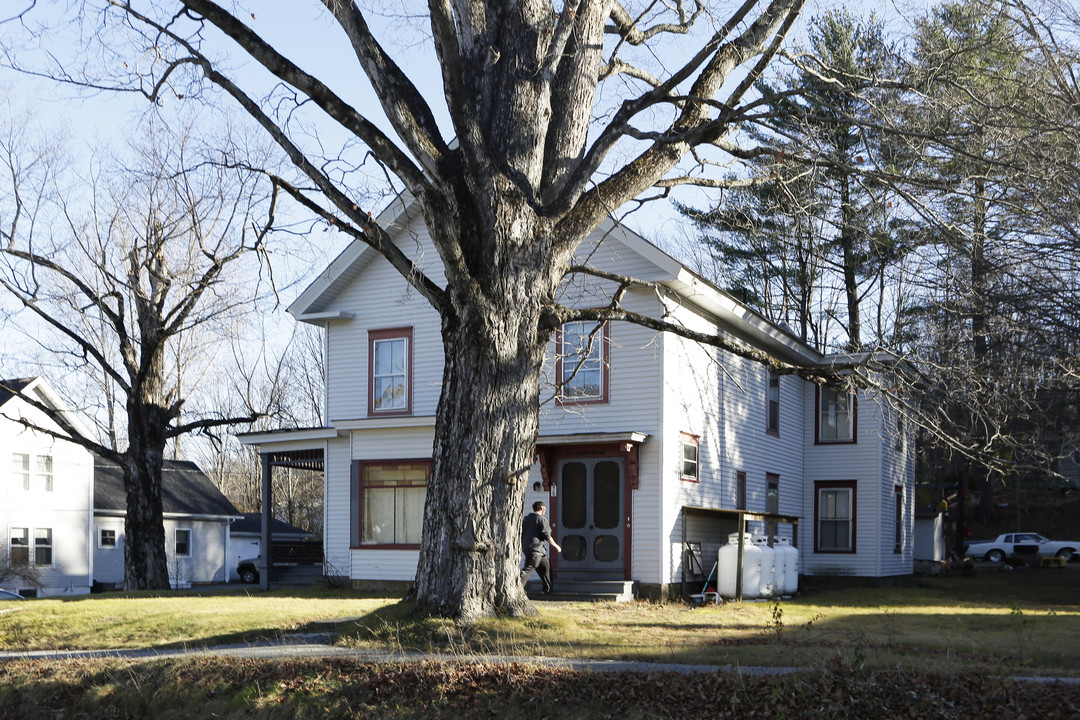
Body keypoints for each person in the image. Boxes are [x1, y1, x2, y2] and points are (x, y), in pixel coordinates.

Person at [520, 501, 561, 594]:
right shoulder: (541, 519)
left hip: (530, 549)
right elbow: (547, 535)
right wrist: (556, 546)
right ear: (542, 508)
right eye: (545, 509)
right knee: (529, 568)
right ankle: (517, 588)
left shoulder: (527, 519)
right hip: (535, 549)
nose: (545, 511)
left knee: (546, 565)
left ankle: (547, 589)